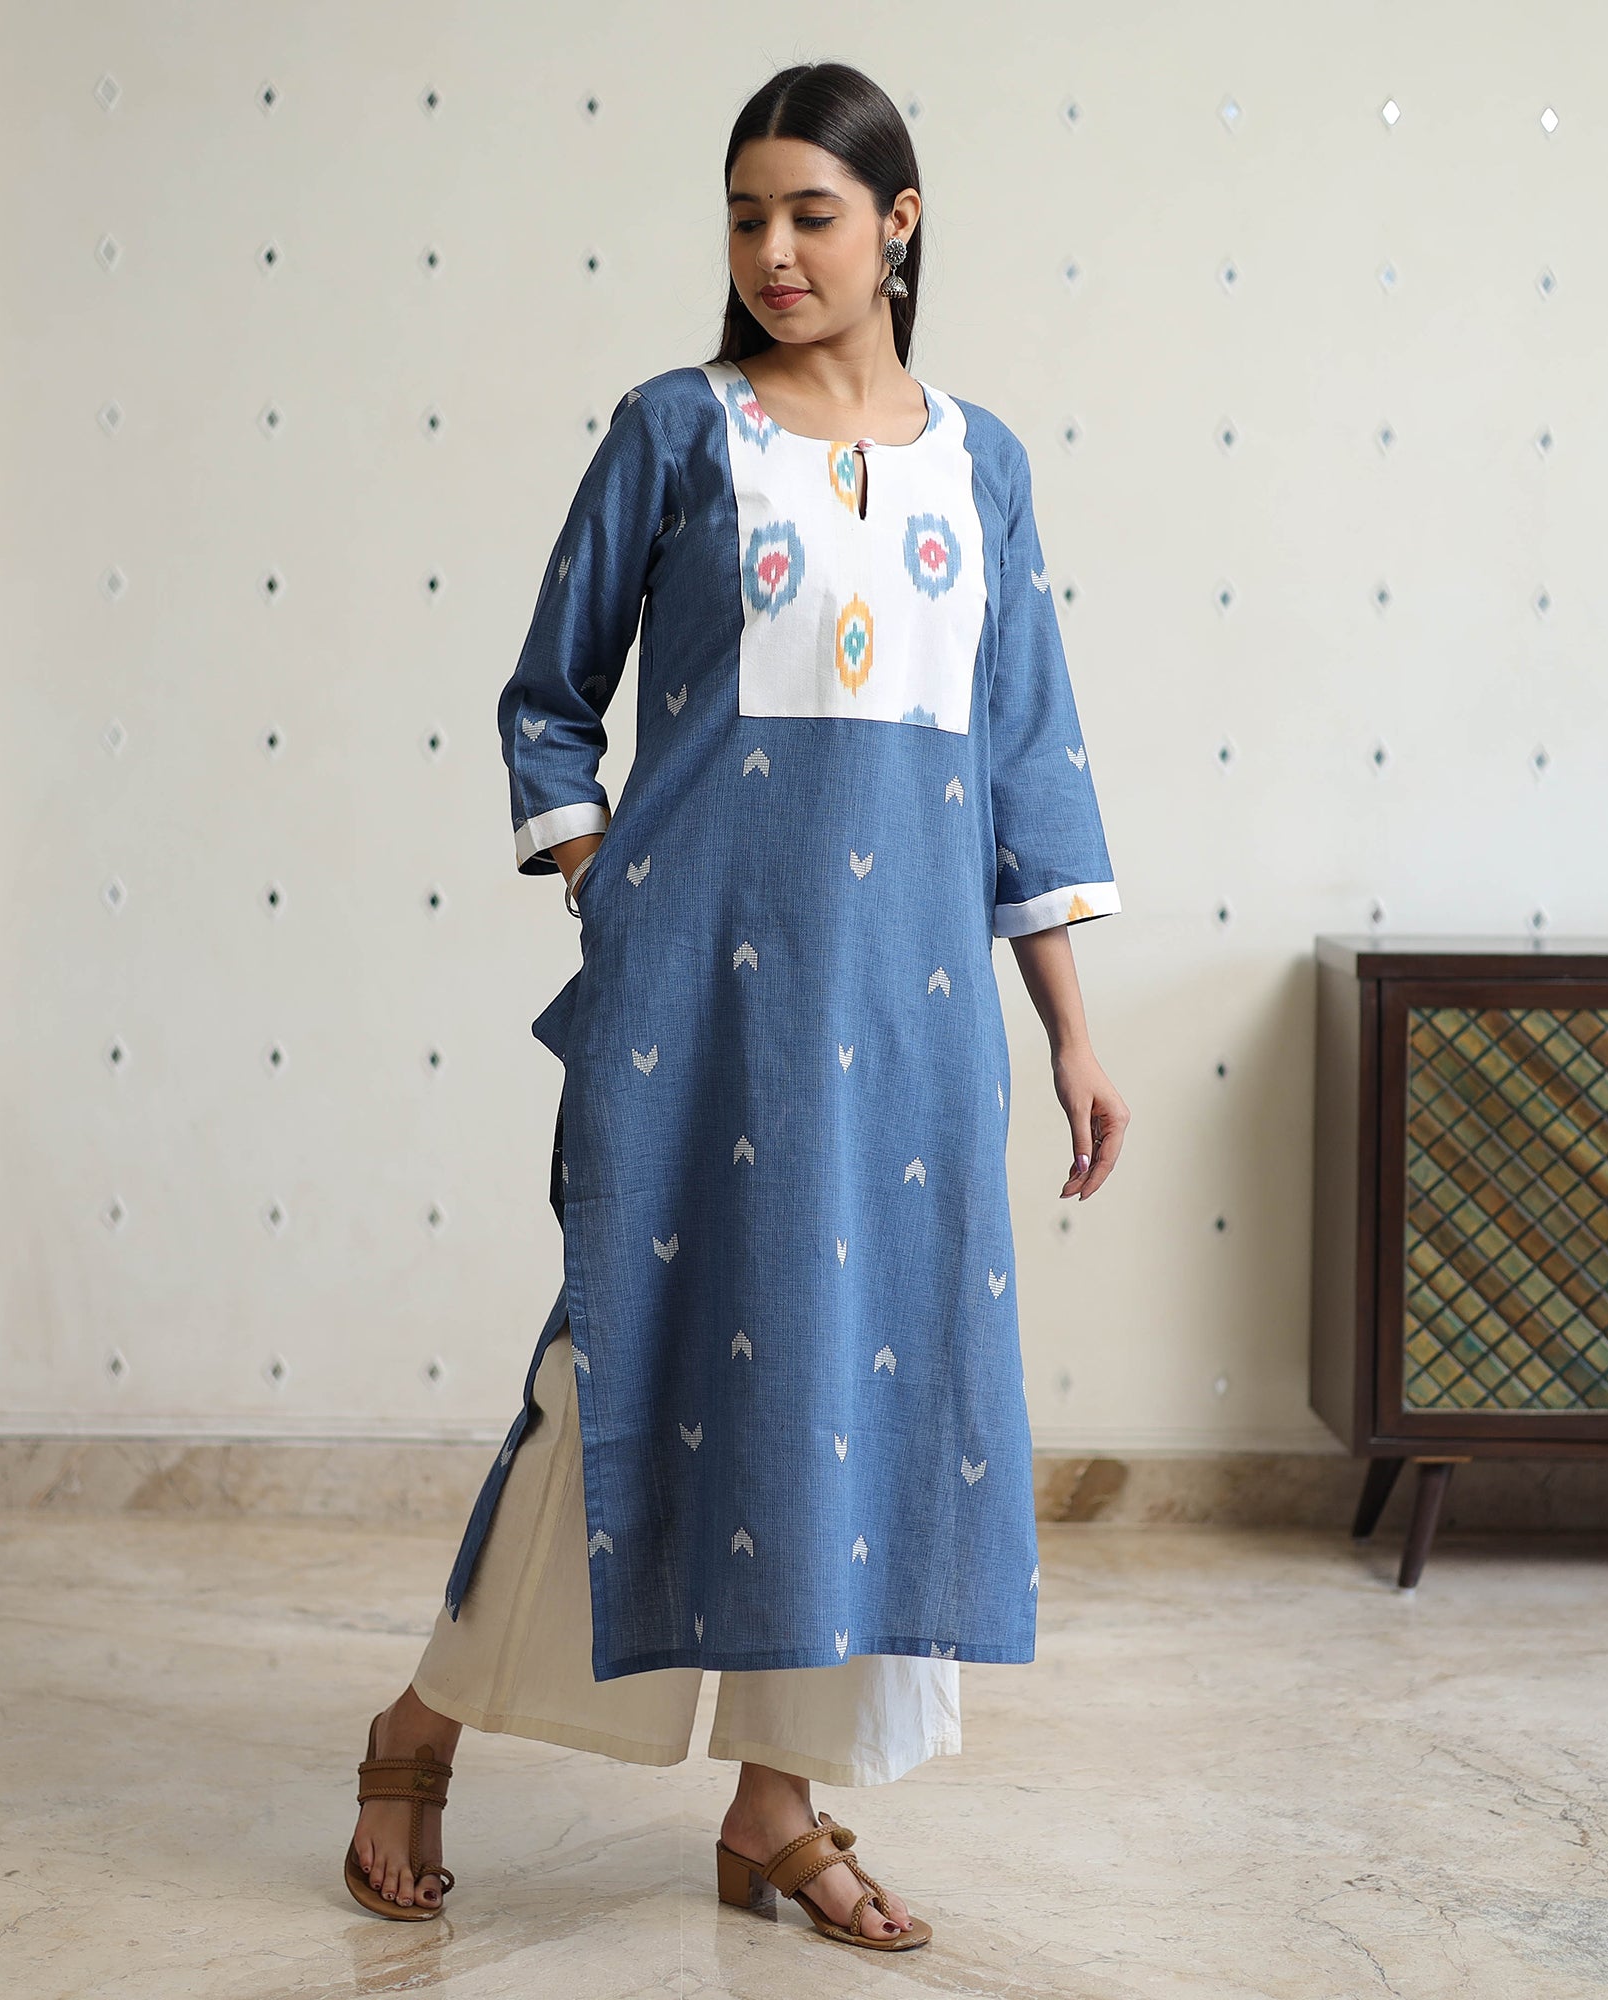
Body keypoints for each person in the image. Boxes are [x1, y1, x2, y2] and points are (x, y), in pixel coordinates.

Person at [345, 59, 1129, 1954]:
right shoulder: (679, 432)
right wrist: (606, 883)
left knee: (870, 1381)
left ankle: (776, 1806)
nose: (775, 251)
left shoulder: (983, 466)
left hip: (919, 1013)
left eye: (814, 215)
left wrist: (1070, 1028)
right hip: (703, 1003)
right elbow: (550, 697)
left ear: (899, 227)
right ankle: (417, 1724)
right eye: (748, 216)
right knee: (626, 1365)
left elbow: (1026, 759)